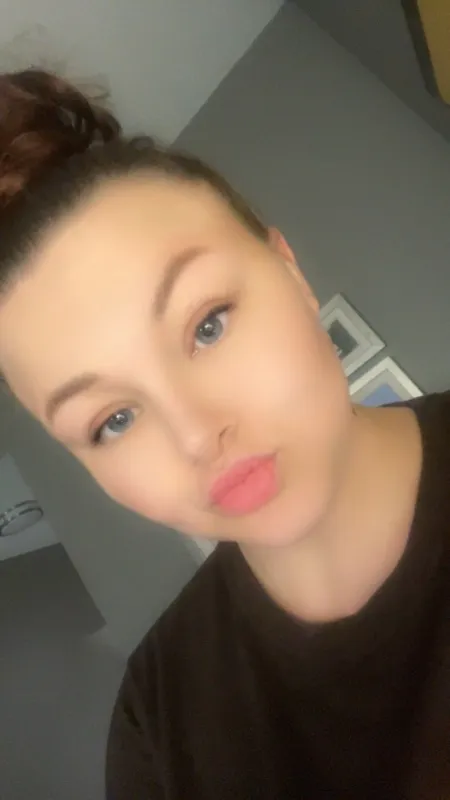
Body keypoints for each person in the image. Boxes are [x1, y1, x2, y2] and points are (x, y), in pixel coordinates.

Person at [0, 68, 448, 800]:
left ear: (291, 274)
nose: (197, 434)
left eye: (207, 325)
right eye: (113, 421)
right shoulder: (158, 724)